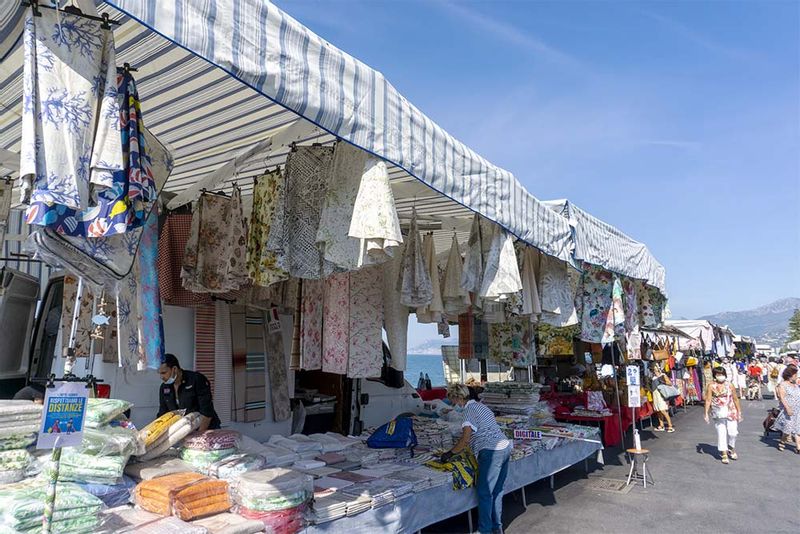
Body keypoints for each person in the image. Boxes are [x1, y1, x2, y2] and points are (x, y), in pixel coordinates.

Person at [440, 384, 511, 534]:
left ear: (459, 398)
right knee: (497, 491)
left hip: (492, 451)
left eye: (453, 400)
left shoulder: (468, 411)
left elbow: (465, 438)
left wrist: (450, 454)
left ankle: (485, 530)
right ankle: (497, 528)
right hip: (504, 446)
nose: (453, 405)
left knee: (484, 493)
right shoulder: (482, 407)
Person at [158, 354, 221, 431]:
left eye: (164, 373)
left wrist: (198, 437)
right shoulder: (164, 387)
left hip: (206, 429)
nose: (161, 377)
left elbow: (207, 412)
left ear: (174, 369)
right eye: (159, 373)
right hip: (185, 430)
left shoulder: (196, 380)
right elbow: (163, 413)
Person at [704, 367, 742, 464]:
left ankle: (731, 447)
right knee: (721, 432)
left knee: (733, 433)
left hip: (731, 410)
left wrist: (739, 412)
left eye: (721, 374)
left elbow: (735, 399)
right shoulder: (711, 386)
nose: (720, 376)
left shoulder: (730, 385)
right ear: (715, 376)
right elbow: (708, 400)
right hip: (718, 411)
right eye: (717, 375)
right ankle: (724, 453)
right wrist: (706, 413)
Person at [772, 364, 800, 453]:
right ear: (790, 376)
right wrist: (787, 408)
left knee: (798, 429)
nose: (797, 377)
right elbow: (782, 398)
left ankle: (798, 447)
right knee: (787, 430)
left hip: (798, 410)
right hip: (788, 410)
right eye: (795, 375)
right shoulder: (783, 385)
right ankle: (782, 441)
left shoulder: (796, 385)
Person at [650, 364, 675, 432]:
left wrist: (662, 381)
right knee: (658, 410)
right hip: (656, 394)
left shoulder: (662, 375)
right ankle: (661, 425)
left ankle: (670, 425)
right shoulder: (653, 376)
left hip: (661, 395)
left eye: (654, 369)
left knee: (663, 410)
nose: (653, 370)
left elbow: (670, 383)